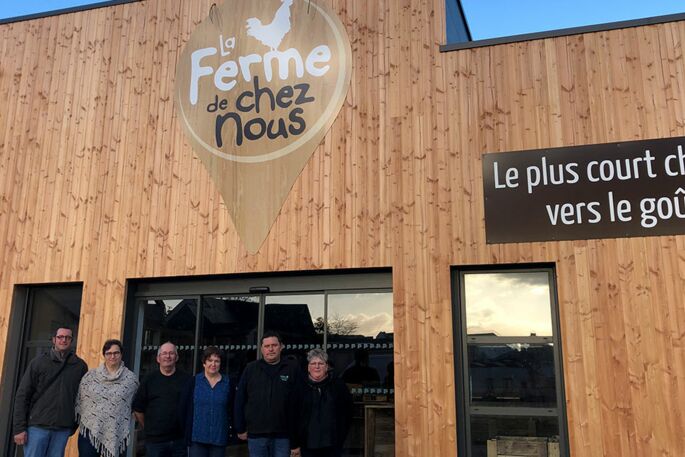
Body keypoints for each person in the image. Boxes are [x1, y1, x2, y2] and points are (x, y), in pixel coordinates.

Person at [12, 326, 88, 457]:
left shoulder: (80, 366)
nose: (64, 340)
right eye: (60, 337)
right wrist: (19, 428)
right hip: (37, 427)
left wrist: (72, 424)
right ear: (54, 340)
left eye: (67, 337)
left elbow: (82, 399)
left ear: (71, 340)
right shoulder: (38, 363)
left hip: (62, 429)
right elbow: (22, 395)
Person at [234, 331, 300, 457]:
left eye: (274, 345)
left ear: (281, 347)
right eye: (267, 346)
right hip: (256, 435)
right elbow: (240, 399)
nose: (271, 349)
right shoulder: (250, 369)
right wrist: (240, 427)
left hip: (283, 436)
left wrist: (296, 437)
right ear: (261, 349)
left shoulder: (292, 369)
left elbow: (299, 403)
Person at [75, 339, 139, 457]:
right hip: (90, 430)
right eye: (109, 353)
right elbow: (81, 400)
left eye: (116, 353)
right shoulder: (90, 377)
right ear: (104, 355)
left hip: (116, 432)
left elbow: (136, 404)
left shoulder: (131, 380)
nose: (112, 356)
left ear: (121, 354)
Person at [132, 341, 191, 457]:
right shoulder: (149, 380)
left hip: (179, 440)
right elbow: (138, 409)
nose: (168, 356)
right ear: (158, 358)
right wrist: (149, 427)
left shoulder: (187, 380)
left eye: (171, 353)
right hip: (155, 442)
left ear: (177, 357)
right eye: (164, 353)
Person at [295, 349, 352, 457]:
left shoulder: (338, 386)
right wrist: (295, 443)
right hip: (307, 445)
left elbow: (347, 413)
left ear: (326, 367)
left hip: (332, 445)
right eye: (313, 363)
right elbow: (292, 416)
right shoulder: (299, 387)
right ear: (308, 367)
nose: (317, 366)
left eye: (321, 363)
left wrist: (341, 437)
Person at [179, 346, 232, 457]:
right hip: (197, 438)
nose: (213, 364)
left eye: (217, 361)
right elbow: (183, 408)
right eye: (210, 360)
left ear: (220, 363)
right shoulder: (193, 382)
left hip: (219, 438)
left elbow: (232, 409)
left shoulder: (228, 383)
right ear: (204, 363)